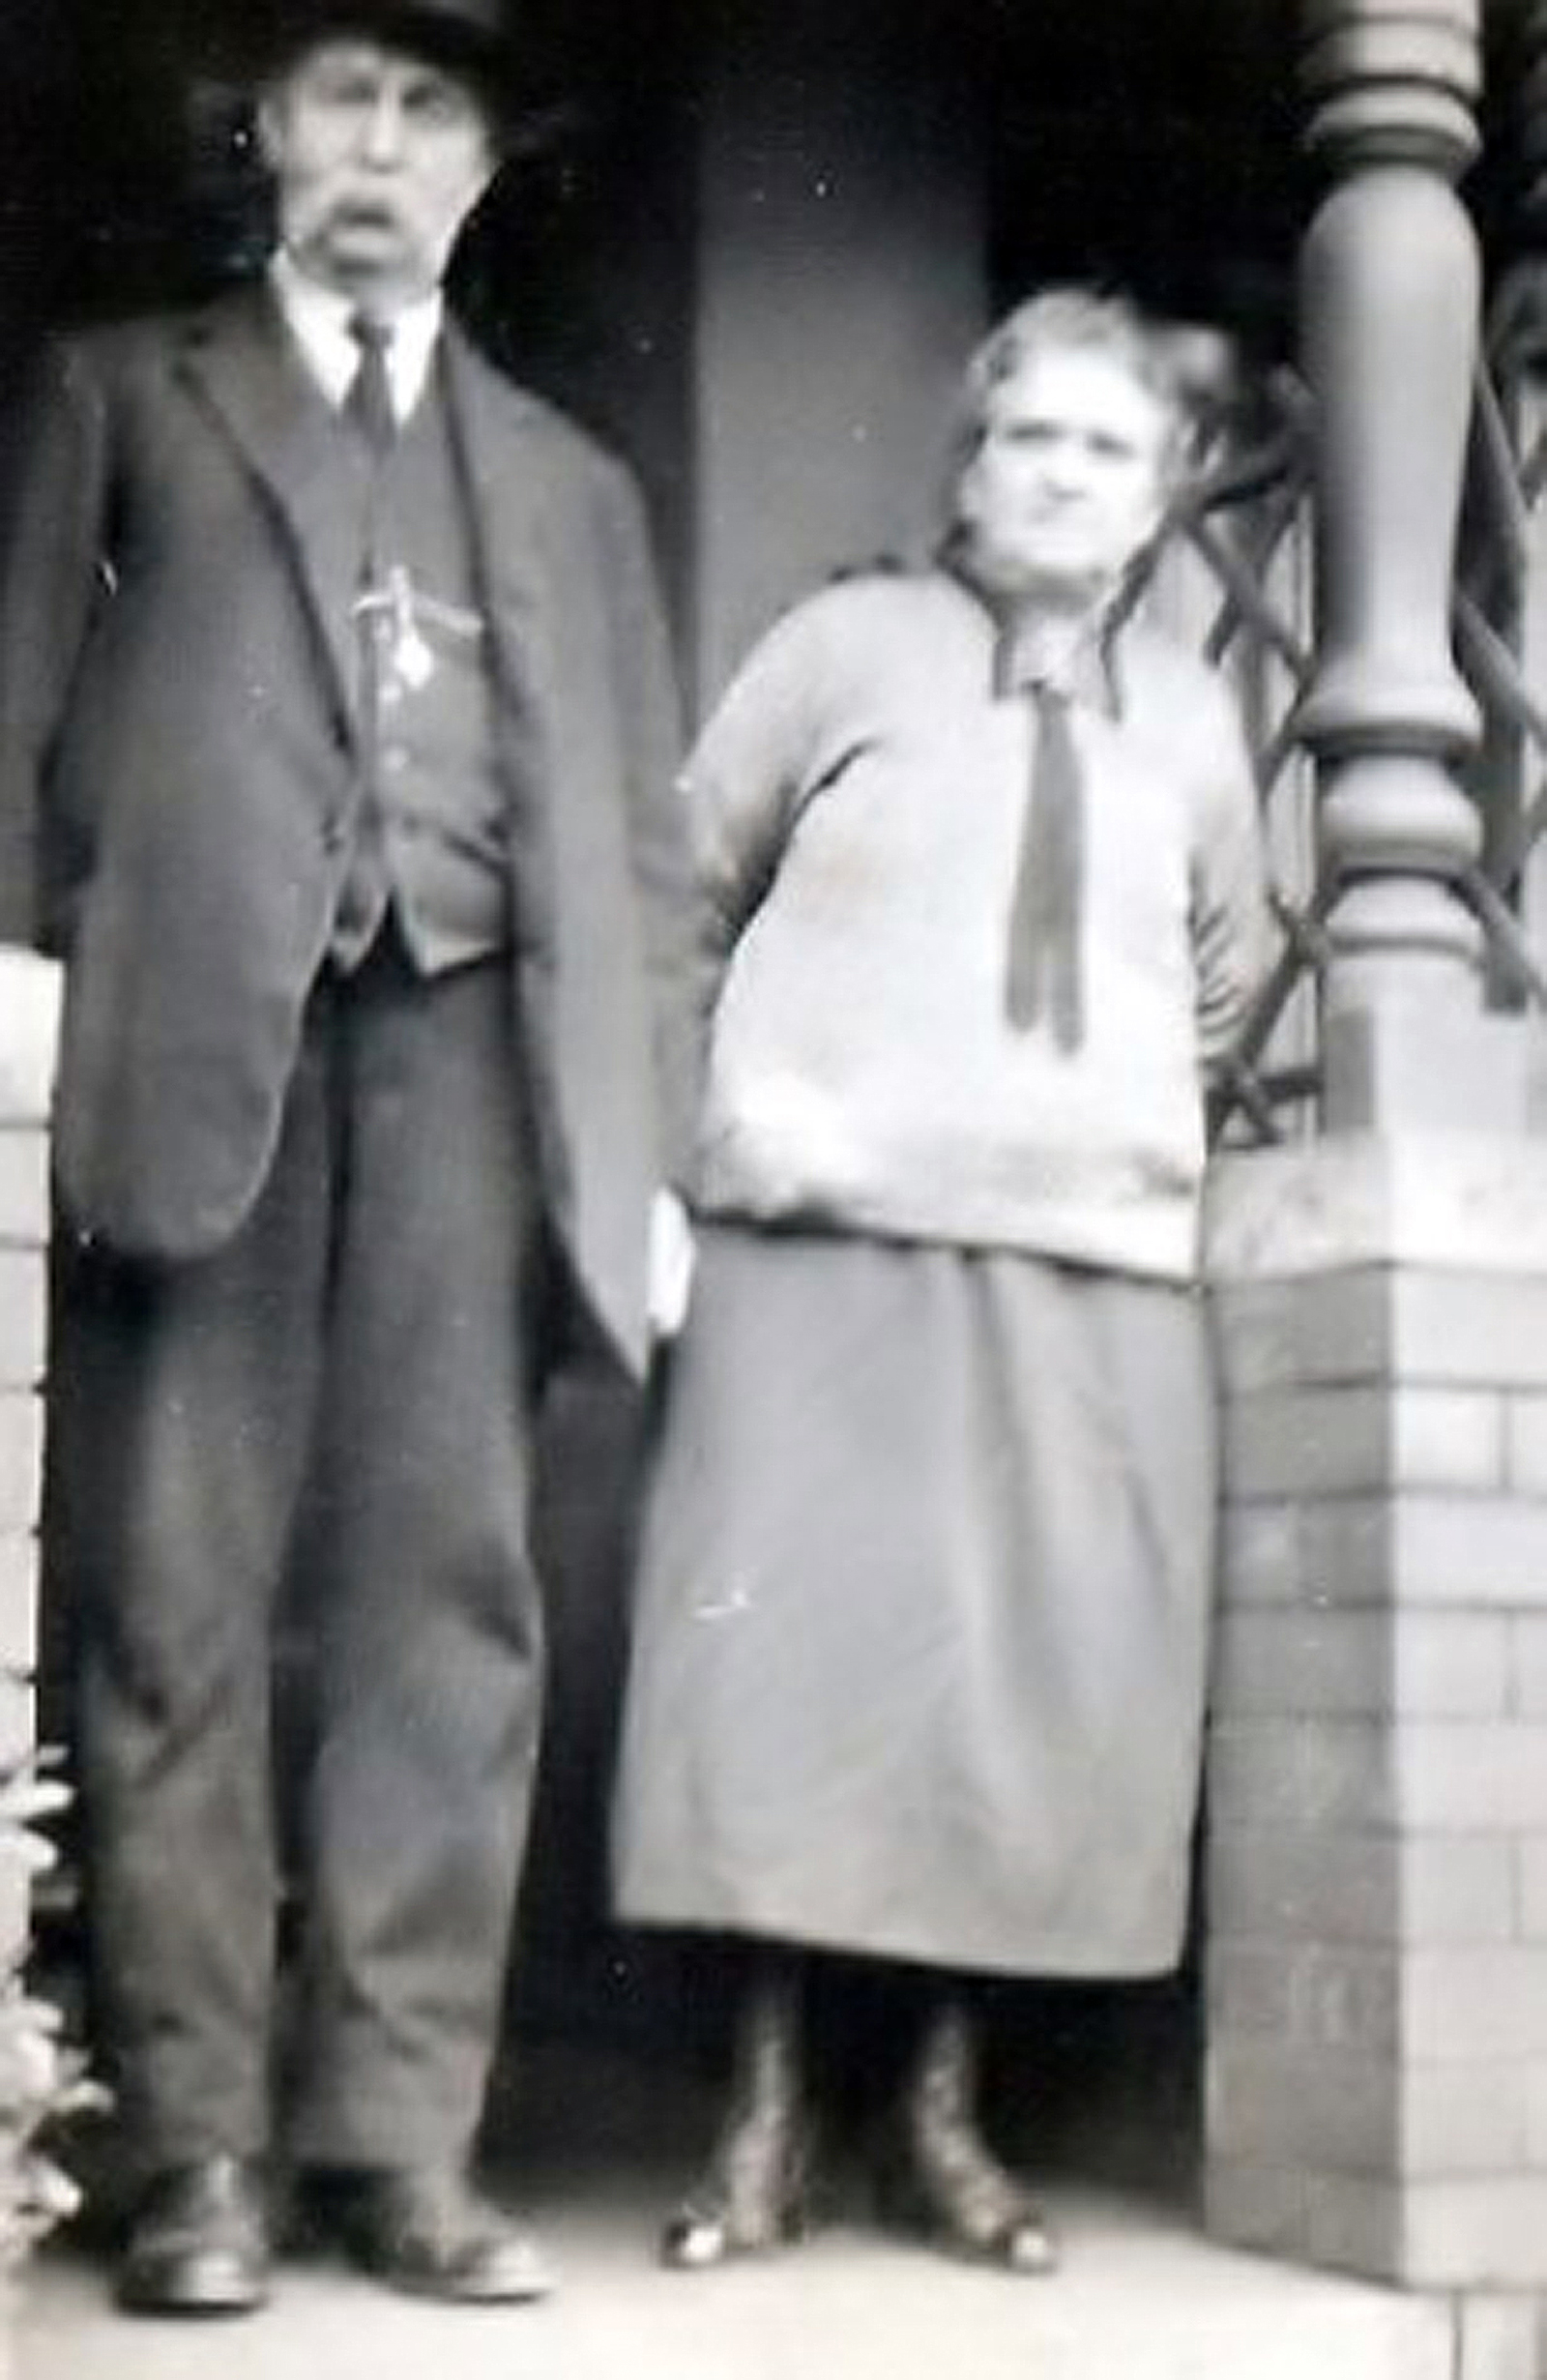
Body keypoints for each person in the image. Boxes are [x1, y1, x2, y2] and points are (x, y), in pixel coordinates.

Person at [0, 0, 687, 2315]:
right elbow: (12, 739)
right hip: (201, 1059)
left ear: (485, 163)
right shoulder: (127, 395)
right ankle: (194, 2152)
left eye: (429, 110)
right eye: (342, 100)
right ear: (267, 134)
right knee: (174, 1600)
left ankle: (397, 2142)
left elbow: (638, 854)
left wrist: (647, 1154)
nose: (382, 148)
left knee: (446, 1604)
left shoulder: (571, 487)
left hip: (481, 1065)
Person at [612, 288, 1270, 2274]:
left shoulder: (1194, 717)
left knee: (1012, 1704)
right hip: (822, 1251)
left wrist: (1067, 1130)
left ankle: (937, 2120)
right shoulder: (843, 651)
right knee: (790, 1688)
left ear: (1161, 493)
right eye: (1028, 437)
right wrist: (704, 1144)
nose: (1062, 476)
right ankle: (759, 2124)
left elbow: (1224, 978)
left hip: (1083, 1276)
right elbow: (678, 895)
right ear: (969, 467)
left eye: (1106, 448)